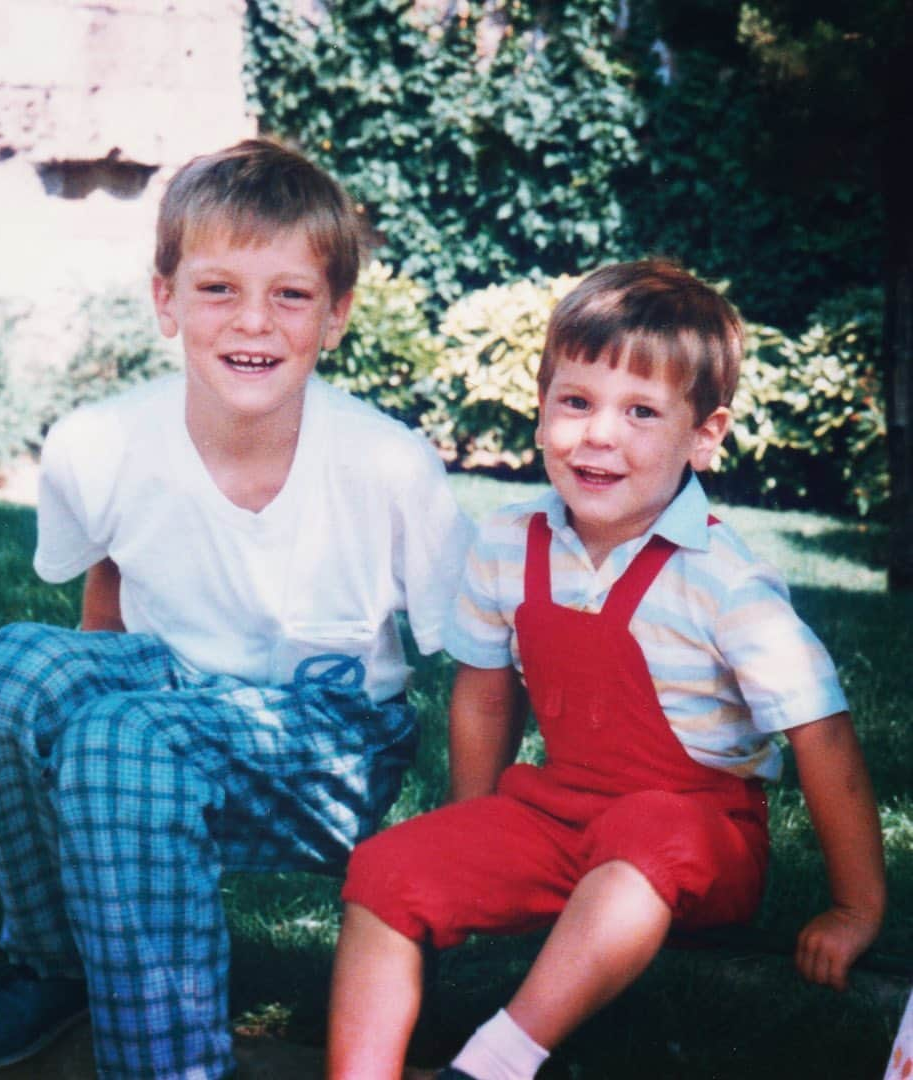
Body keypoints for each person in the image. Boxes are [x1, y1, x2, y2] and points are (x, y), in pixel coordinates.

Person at [0, 137, 474, 1080]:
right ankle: (55, 965)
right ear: (166, 299)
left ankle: (166, 1065)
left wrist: (473, 829)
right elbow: (108, 595)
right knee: (13, 673)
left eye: (290, 294)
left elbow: (480, 655)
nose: (252, 321)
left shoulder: (388, 464)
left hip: (328, 741)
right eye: (218, 288)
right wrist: (91, 782)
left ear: (336, 315)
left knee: (124, 744)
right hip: (165, 692)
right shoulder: (100, 440)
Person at [326, 259, 886, 1080]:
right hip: (560, 818)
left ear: (705, 436)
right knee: (386, 867)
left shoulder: (724, 579)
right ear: (542, 408)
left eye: (641, 412)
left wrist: (853, 907)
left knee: (649, 830)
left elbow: (823, 738)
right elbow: (484, 697)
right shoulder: (509, 543)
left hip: (701, 839)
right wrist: (469, 835)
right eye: (576, 402)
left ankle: (496, 1063)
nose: (599, 435)